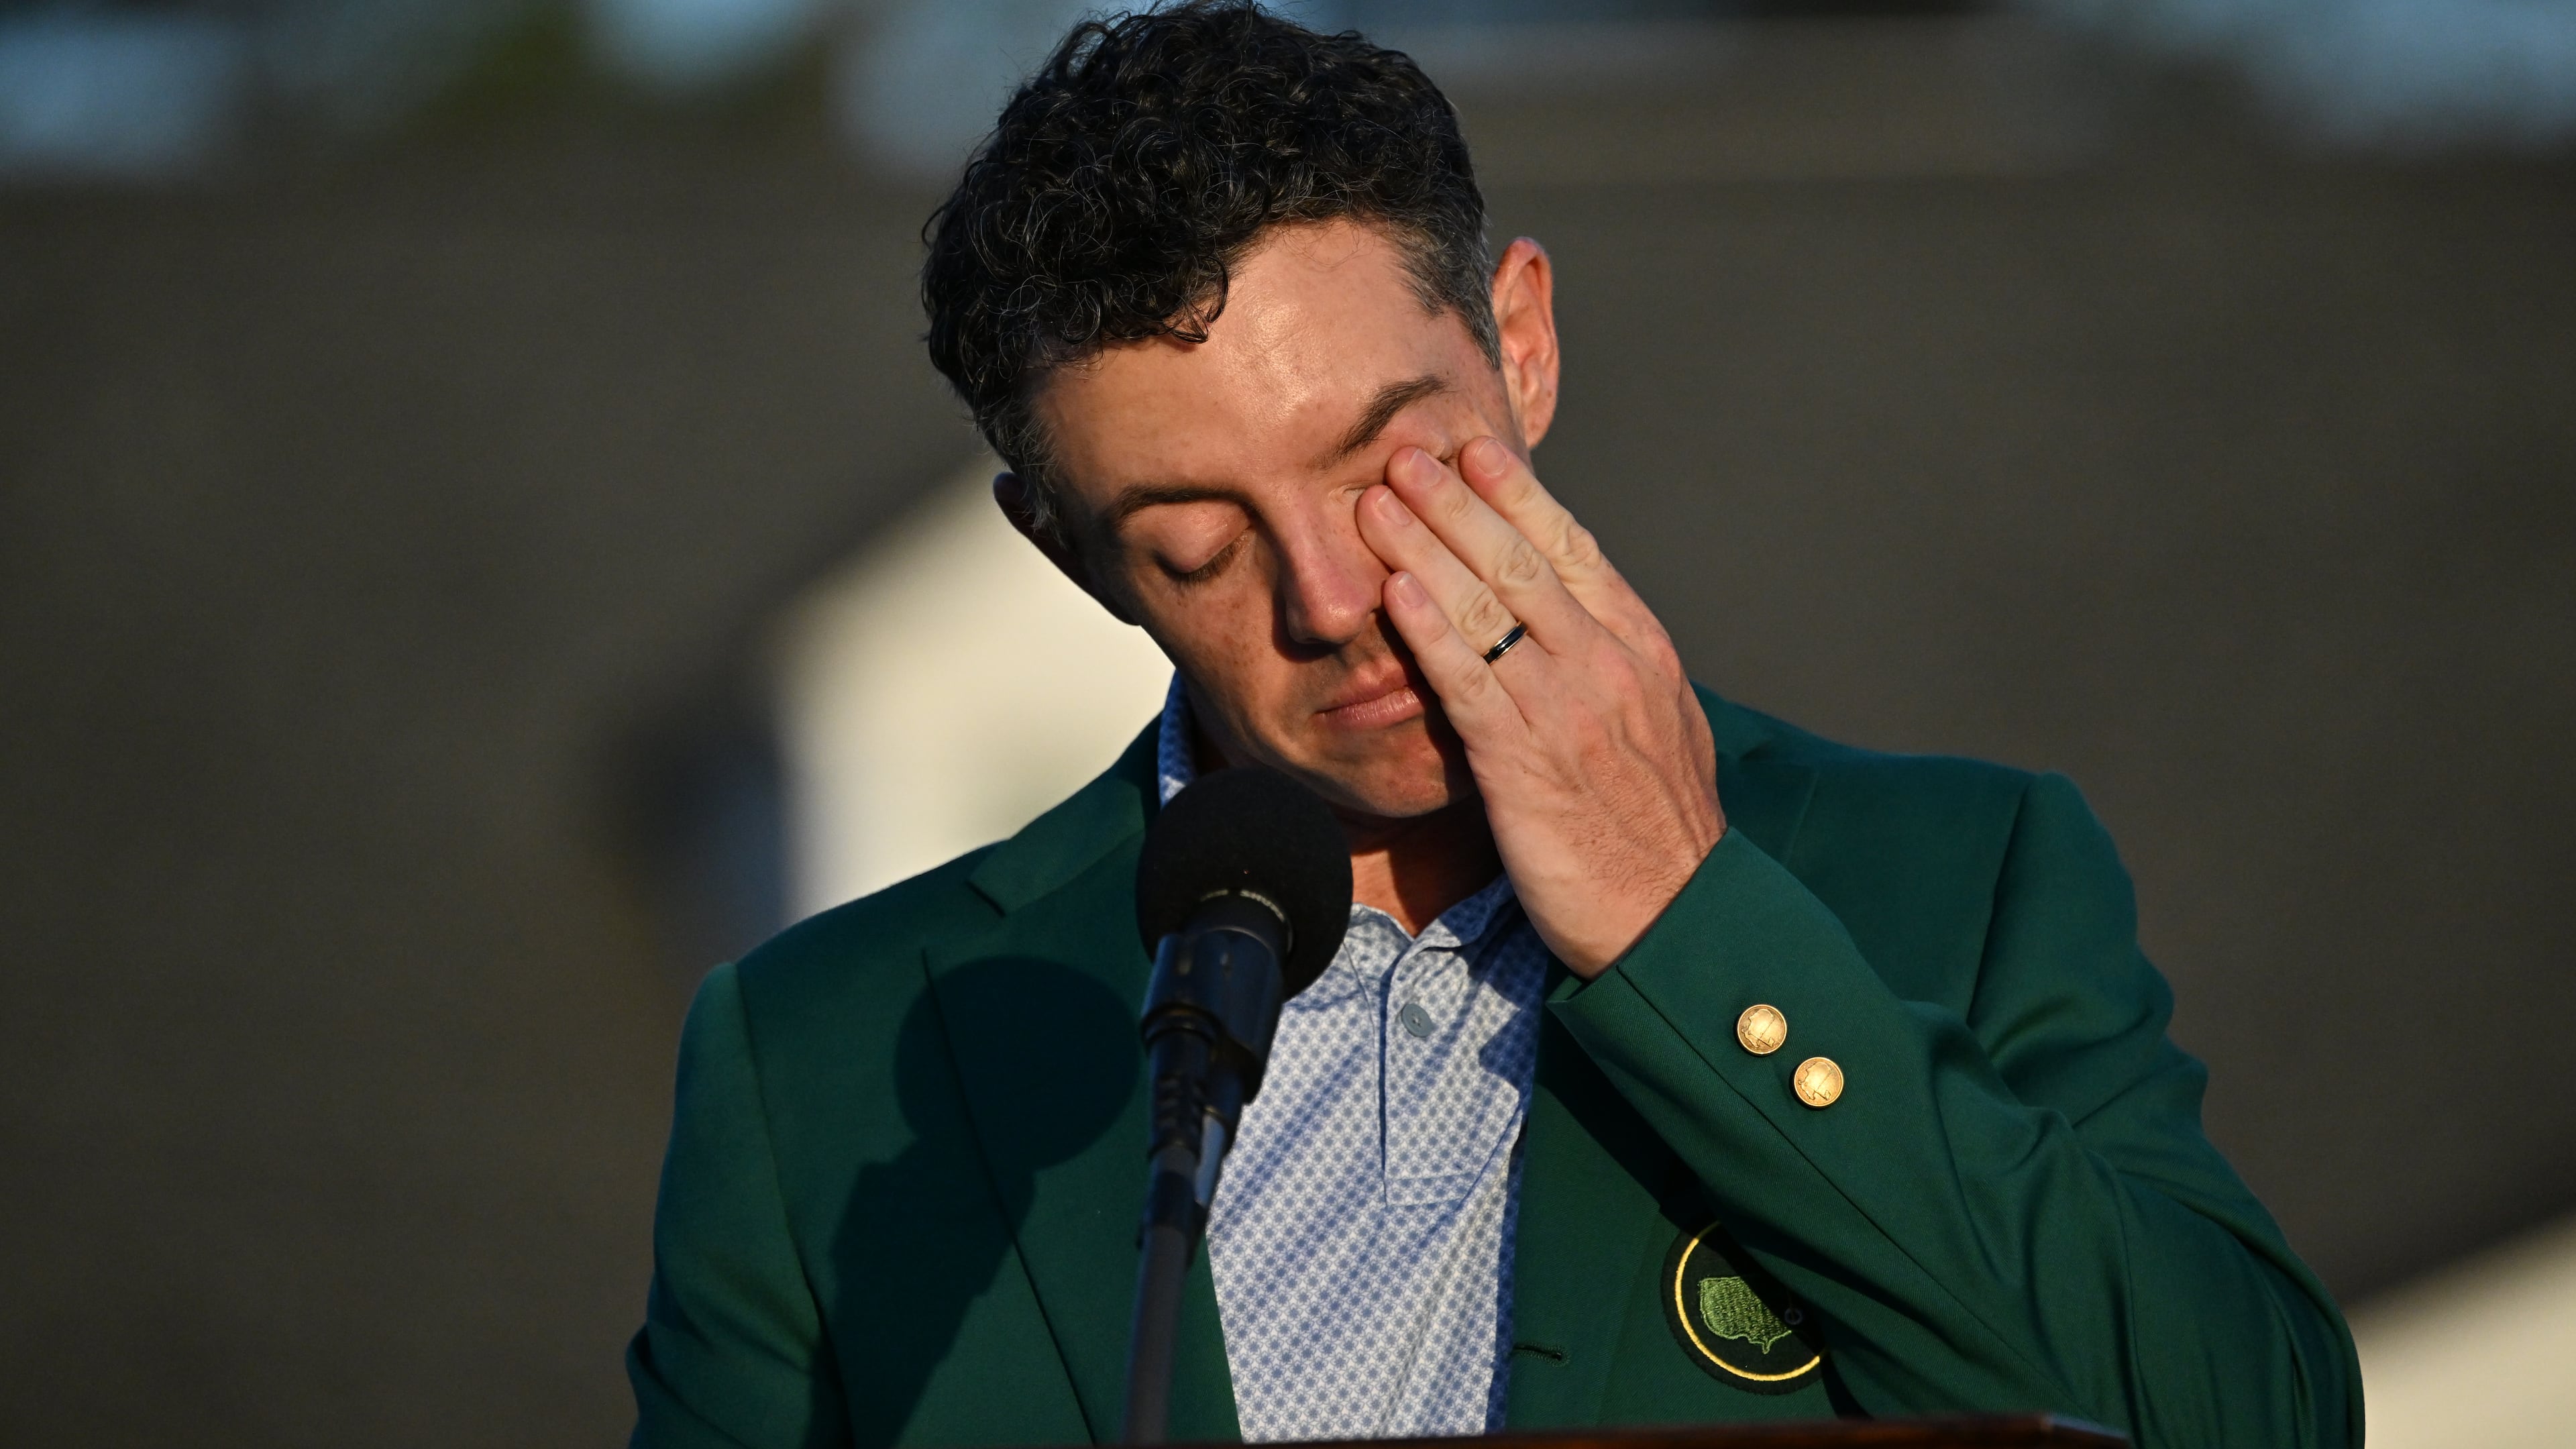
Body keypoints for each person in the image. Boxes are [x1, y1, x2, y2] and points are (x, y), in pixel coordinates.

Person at [625, 5, 2360, 1446]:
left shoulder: (1954, 883)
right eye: (1195, 542)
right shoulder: (823, 1069)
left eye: (1386, 459)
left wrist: (1690, 925)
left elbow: (2253, 1417)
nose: (1329, 592)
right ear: (1068, 554)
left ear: (1520, 343)